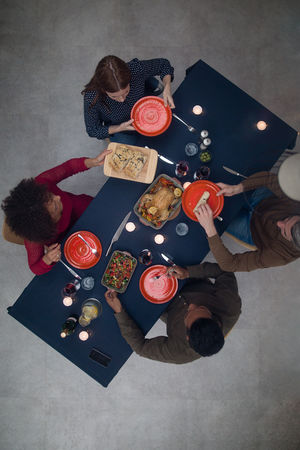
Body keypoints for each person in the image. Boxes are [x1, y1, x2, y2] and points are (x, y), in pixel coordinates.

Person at [104, 262, 241, 364]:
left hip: (159, 303)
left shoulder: (179, 353)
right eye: (201, 308)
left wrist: (119, 311)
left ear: (187, 336)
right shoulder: (230, 306)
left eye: (188, 313)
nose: (192, 305)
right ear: (215, 320)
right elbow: (225, 271)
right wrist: (189, 272)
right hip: (184, 274)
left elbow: (141, 347)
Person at [1, 150, 111, 275]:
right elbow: (35, 268)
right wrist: (47, 259)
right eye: (54, 205)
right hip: (73, 244)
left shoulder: (40, 185)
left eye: (51, 195)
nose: (58, 197)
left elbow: (68, 167)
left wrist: (92, 162)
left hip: (84, 207)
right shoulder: (35, 237)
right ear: (48, 223)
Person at [195, 169, 300, 272]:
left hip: (252, 230)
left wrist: (209, 229)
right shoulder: (297, 200)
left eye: (284, 232)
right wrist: (238, 188)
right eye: (288, 218)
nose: (279, 223)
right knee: (225, 181)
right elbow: (268, 179)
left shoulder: (280, 255)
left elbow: (230, 264)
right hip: (264, 200)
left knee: (214, 217)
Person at [82, 55, 175, 145]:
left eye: (126, 92)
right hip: (123, 126)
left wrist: (167, 87)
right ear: (102, 89)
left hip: (144, 107)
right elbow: (93, 130)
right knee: (134, 147)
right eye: (114, 96)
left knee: (168, 132)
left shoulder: (135, 69)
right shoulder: (92, 96)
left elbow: (163, 64)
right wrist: (119, 128)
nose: (122, 99)